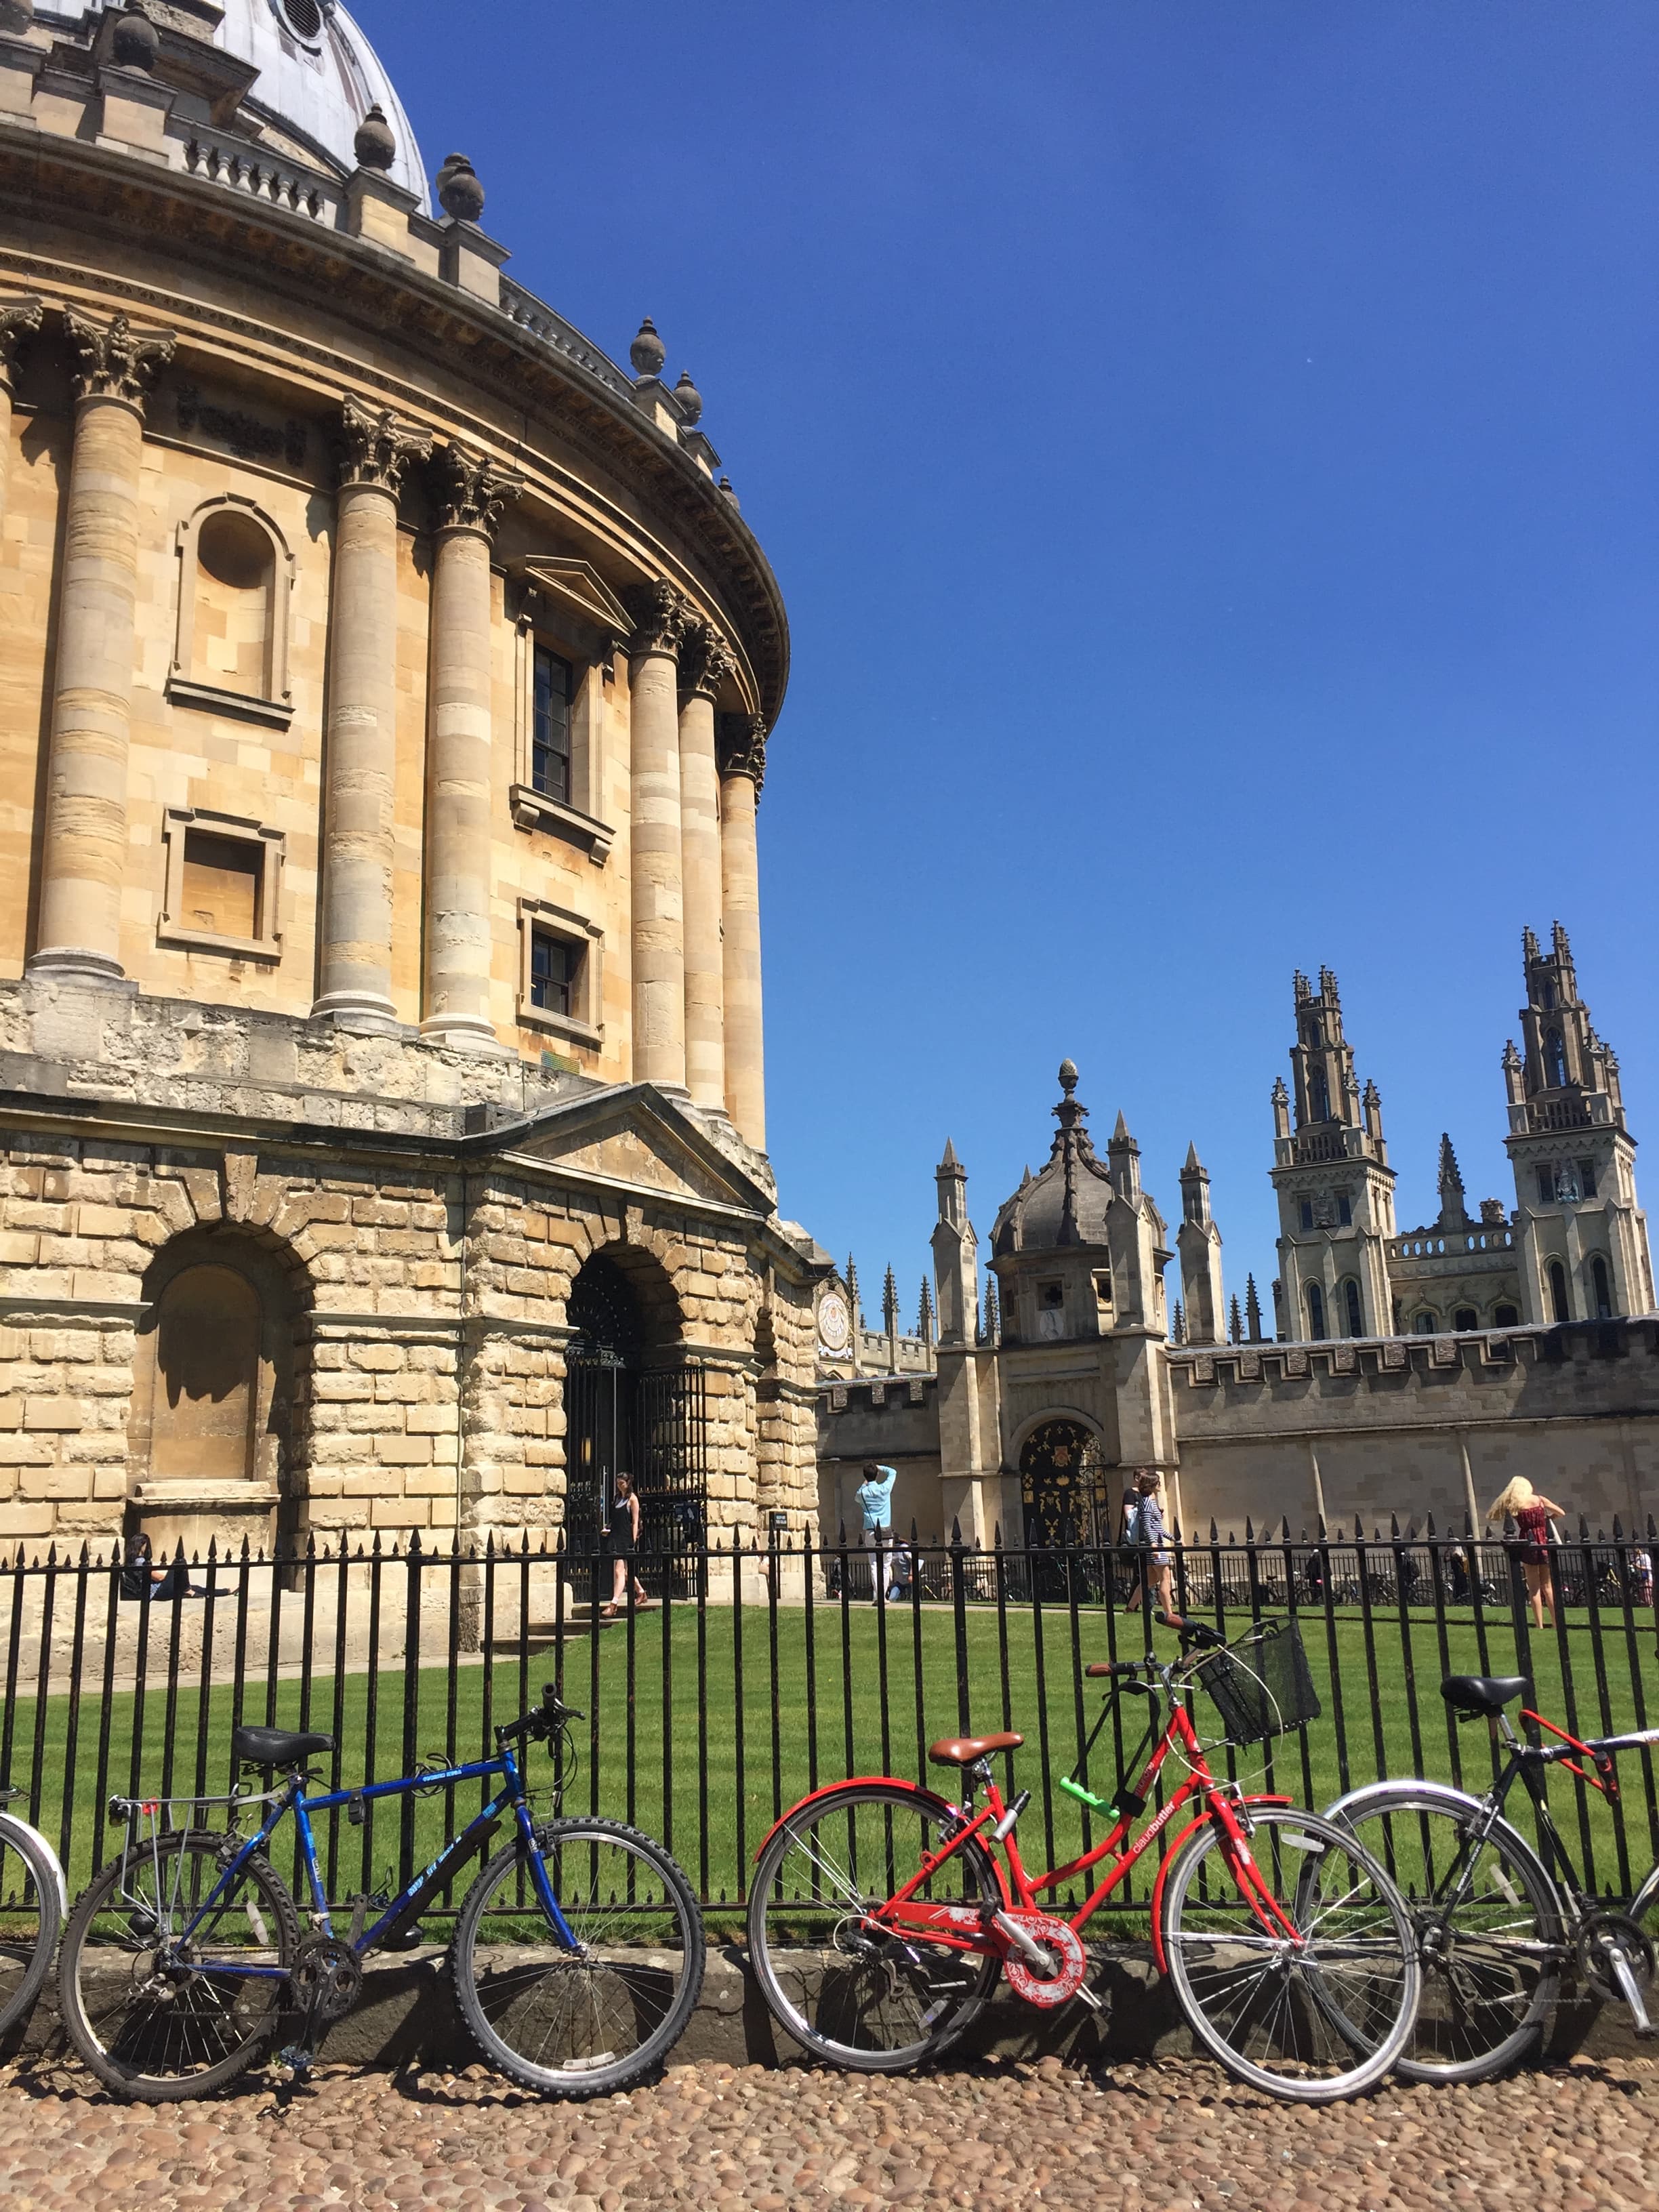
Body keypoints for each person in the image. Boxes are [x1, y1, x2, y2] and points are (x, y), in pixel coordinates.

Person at [1486, 1476, 1565, 1631]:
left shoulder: (1516, 1505)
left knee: (1533, 1587)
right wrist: (1548, 1519)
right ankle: (1556, 1623)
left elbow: (1497, 1514)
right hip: (1543, 1541)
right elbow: (1561, 1512)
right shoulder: (1540, 1500)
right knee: (1548, 1586)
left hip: (1527, 1542)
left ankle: (1539, 1625)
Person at [1122, 1469, 1175, 1620]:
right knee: (1166, 1578)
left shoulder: (1149, 1502)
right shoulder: (1147, 1503)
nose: (1160, 1485)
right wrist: (1153, 1544)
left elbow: (1157, 1527)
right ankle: (1169, 1614)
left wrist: (1172, 1538)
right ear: (1152, 1486)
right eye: (1158, 1483)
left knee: (1149, 1580)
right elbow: (1147, 1525)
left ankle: (1130, 1608)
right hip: (1155, 1547)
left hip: (1154, 1545)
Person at [600, 1472, 652, 1618]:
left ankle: (613, 1604)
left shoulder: (632, 1499)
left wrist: (633, 1540)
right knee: (626, 1572)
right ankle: (641, 1593)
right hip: (615, 1537)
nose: (619, 1485)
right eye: (618, 1483)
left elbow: (635, 1521)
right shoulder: (617, 1499)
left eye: (622, 1483)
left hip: (625, 1539)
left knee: (619, 1572)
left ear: (628, 1483)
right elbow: (616, 1519)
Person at [856, 1461, 897, 1605]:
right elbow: (893, 1472)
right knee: (886, 1565)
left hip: (871, 1530)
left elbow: (857, 1496)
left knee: (874, 1564)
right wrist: (879, 1467)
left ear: (865, 1476)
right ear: (877, 1474)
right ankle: (883, 1596)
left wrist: (865, 1483)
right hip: (886, 1531)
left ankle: (878, 1596)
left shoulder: (862, 1492)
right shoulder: (885, 1489)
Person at [120, 1530, 203, 1601]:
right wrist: (172, 1578)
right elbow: (158, 1577)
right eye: (147, 1544)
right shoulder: (140, 1561)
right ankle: (187, 1590)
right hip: (158, 1592)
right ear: (141, 1545)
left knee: (196, 1588)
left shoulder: (137, 1560)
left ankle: (213, 1592)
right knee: (180, 1561)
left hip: (160, 1589)